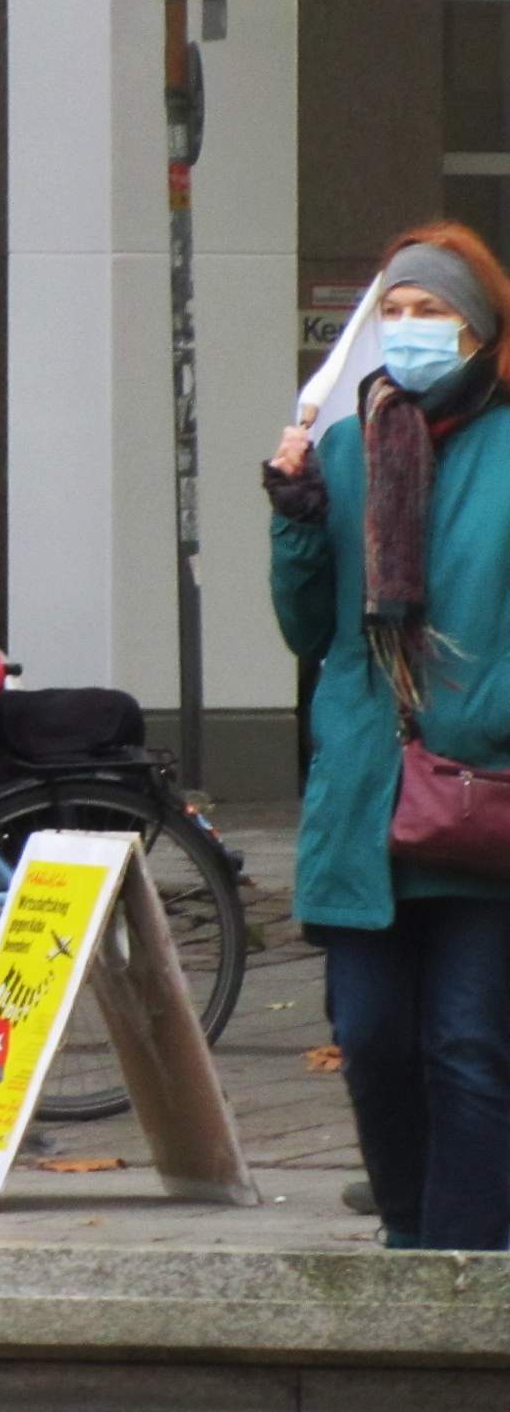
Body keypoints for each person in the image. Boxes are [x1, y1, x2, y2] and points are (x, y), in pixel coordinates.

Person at [265, 223, 510, 1253]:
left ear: (483, 329)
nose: (409, 333)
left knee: (467, 1044)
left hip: (481, 795)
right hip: (366, 795)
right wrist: (295, 518)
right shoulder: (349, 441)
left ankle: (466, 1262)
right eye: (396, 312)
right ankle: (411, 1243)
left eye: (434, 312)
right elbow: (304, 628)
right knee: (368, 1040)